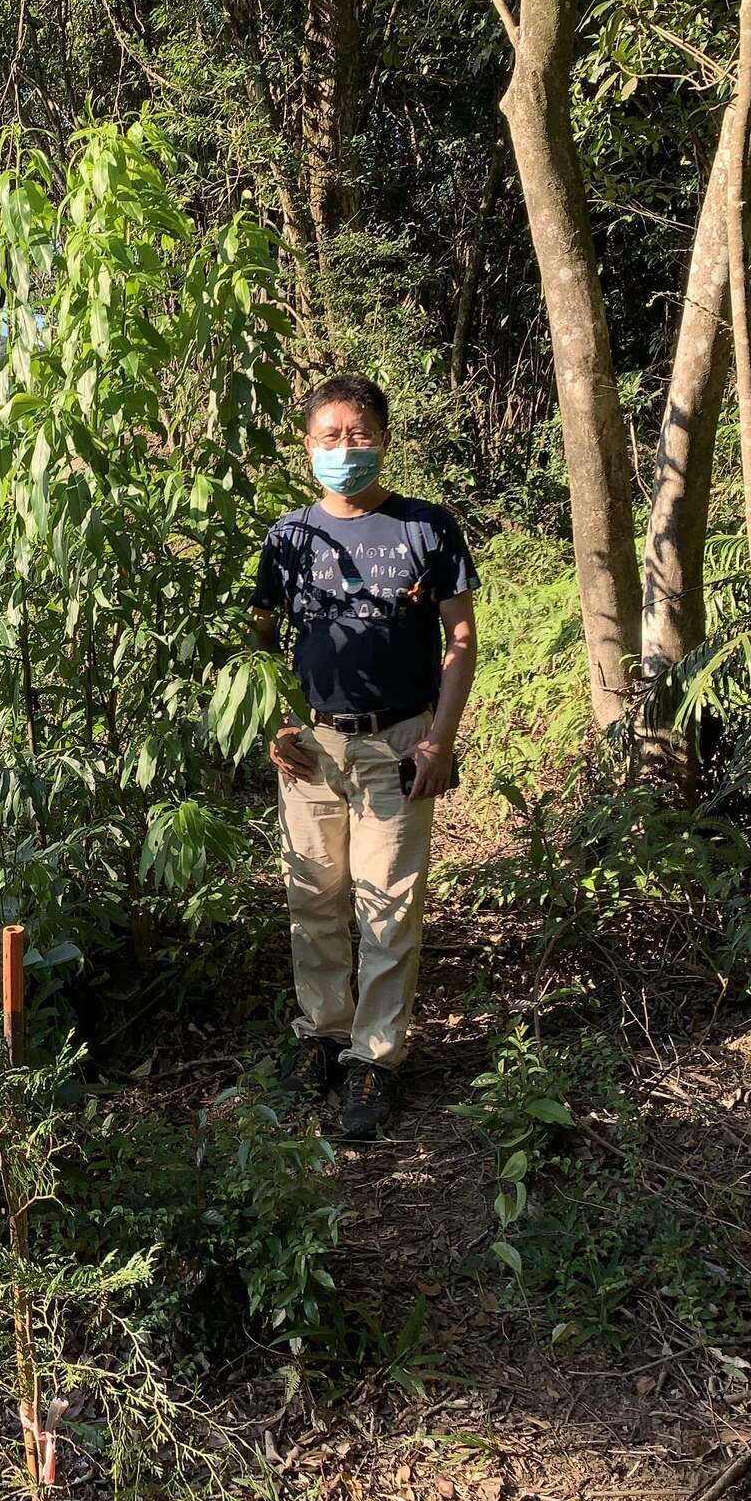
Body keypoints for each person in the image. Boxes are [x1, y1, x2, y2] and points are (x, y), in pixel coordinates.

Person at [251, 372, 479, 1141]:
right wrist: (279, 724)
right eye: (328, 436)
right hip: (311, 746)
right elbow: (263, 640)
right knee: (312, 898)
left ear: (384, 437)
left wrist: (439, 739)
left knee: (388, 906)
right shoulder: (288, 536)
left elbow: (460, 640)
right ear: (306, 446)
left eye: (358, 433)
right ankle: (322, 1035)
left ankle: (374, 1059)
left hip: (398, 742)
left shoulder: (426, 527)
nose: (343, 448)